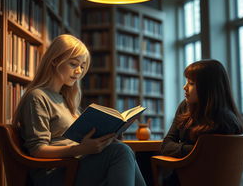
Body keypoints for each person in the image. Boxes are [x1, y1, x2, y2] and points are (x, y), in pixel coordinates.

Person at [13, 34, 146, 186]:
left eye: (82, 66)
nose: (79, 71)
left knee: (122, 149)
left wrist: (104, 138)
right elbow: (38, 150)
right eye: (73, 64)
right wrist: (81, 149)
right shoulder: (37, 97)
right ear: (55, 61)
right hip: (56, 171)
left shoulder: (64, 98)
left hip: (74, 164)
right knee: (120, 152)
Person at [159, 59, 243, 185]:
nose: (185, 87)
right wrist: (197, 150)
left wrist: (189, 150)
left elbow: (212, 156)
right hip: (183, 176)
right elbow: (166, 145)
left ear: (208, 88)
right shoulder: (185, 107)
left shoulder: (226, 121)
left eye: (191, 83)